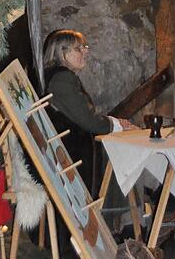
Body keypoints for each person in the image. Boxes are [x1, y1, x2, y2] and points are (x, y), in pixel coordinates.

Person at [43, 29, 136, 193]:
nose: (86, 51)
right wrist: (116, 124)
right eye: (79, 48)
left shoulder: (61, 77)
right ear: (61, 53)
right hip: (70, 155)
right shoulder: (62, 79)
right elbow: (87, 120)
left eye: (85, 46)